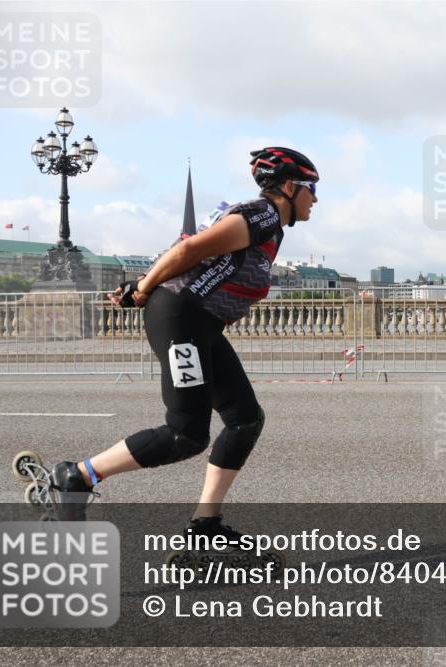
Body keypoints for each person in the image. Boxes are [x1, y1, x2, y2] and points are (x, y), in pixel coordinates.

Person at [49, 146, 319, 536]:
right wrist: (142, 286)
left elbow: (197, 251)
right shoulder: (260, 215)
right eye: (312, 188)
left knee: (245, 420)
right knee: (186, 434)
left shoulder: (271, 228)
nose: (316, 199)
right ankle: (77, 476)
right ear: (290, 187)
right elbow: (190, 248)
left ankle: (206, 521)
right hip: (181, 317)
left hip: (202, 323)